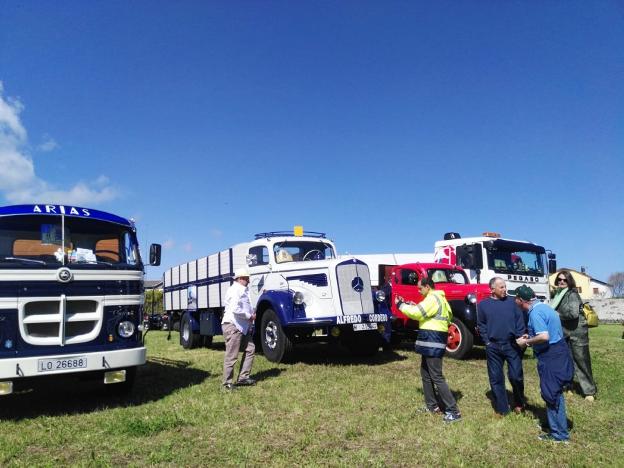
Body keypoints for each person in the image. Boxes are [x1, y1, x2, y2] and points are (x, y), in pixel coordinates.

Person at [395, 277, 461, 423]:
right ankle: (432, 406)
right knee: (425, 374)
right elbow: (443, 316)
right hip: (431, 341)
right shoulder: (440, 299)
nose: (419, 291)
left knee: (436, 376)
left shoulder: (432, 298)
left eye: (420, 288)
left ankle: (453, 411)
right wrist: (413, 305)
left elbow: (417, 313)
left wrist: (400, 305)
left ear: (427, 287)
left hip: (433, 341)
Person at [515, 285, 574, 443]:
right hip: (559, 352)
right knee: (555, 393)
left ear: (521, 300)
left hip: (550, 356)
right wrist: (531, 334)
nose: (515, 301)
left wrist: (526, 342)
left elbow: (544, 336)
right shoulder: (545, 308)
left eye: (516, 298)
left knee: (551, 394)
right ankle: (557, 428)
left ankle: (559, 434)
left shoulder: (535, 313)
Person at [477, 277, 526, 416]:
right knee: (496, 378)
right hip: (493, 346)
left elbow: (520, 321)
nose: (505, 290)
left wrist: (520, 337)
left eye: (505, 286)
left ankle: (519, 402)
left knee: (516, 376)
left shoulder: (512, 303)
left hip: (512, 345)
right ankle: (502, 408)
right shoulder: (483, 305)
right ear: (492, 289)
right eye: (501, 287)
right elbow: (481, 324)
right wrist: (487, 341)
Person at [551, 270, 597, 401]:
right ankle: (568, 386)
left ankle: (589, 391)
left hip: (577, 333)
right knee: (566, 361)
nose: (561, 282)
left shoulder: (572, 294)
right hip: (565, 332)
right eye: (559, 279)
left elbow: (573, 314)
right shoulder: (558, 294)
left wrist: (555, 314)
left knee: (582, 361)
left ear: (569, 282)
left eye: (565, 280)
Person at [221, 268, 256, 390]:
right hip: (233, 326)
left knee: (250, 348)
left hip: (240, 326)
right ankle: (227, 384)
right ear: (240, 278)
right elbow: (235, 309)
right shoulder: (236, 290)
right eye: (247, 278)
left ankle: (243, 378)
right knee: (232, 355)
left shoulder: (240, 290)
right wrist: (250, 316)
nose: (249, 281)